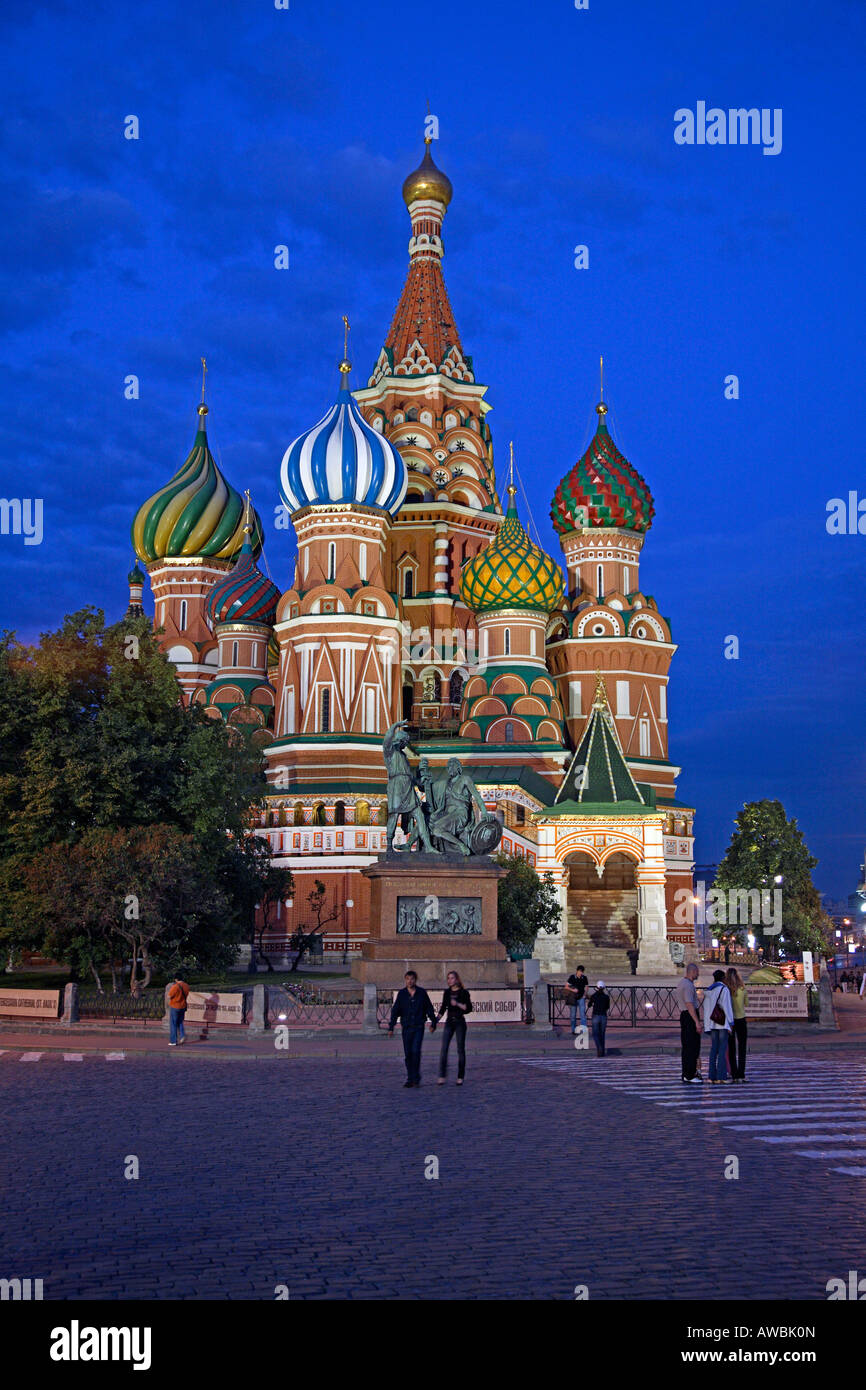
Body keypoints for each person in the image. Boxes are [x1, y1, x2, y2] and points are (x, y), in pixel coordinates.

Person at [388, 970, 437, 1087]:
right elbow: (395, 1011)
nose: (410, 981)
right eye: (407, 979)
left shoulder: (421, 993)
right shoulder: (402, 994)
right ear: (405, 980)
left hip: (418, 1027)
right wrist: (391, 1027)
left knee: (416, 1052)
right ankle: (410, 1078)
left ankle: (416, 1078)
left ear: (415, 980)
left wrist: (433, 1023)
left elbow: (429, 1008)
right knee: (408, 1054)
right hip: (407, 1027)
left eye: (412, 979)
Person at [437, 970, 473, 1085]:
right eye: (448, 978)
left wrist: (457, 1004)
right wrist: (435, 1020)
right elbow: (443, 1008)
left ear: (457, 979)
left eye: (452, 978)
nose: (449, 980)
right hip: (449, 1022)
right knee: (444, 1049)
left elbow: (468, 1008)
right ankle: (442, 1075)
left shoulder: (463, 993)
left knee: (460, 1050)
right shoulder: (447, 992)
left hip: (459, 1022)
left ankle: (460, 1076)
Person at [702, 968, 733, 1082]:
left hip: (712, 1024)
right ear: (723, 978)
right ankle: (721, 1076)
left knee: (713, 1049)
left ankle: (711, 1076)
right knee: (722, 1049)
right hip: (722, 1024)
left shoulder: (709, 990)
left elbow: (706, 1009)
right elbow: (727, 1007)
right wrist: (730, 1024)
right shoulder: (724, 990)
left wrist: (707, 1025)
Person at [677, 962, 703, 1082]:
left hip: (685, 1016)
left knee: (687, 1046)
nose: (698, 974)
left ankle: (687, 1073)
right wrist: (697, 1022)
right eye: (697, 972)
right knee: (691, 1046)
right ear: (692, 972)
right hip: (689, 1017)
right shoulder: (687, 985)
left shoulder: (682, 983)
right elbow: (689, 1004)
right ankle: (690, 1074)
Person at [726, 967, 748, 1082]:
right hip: (741, 1019)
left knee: (731, 1047)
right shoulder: (742, 989)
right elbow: (746, 1003)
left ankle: (734, 1073)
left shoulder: (726, 990)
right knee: (742, 1047)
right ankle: (741, 1073)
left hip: (731, 1021)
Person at [588, 980, 611, 1057]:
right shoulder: (606, 997)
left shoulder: (594, 996)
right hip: (603, 1016)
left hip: (596, 1016)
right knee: (602, 1034)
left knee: (595, 1034)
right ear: (604, 988)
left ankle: (599, 1048)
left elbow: (589, 1005)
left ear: (596, 988)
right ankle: (602, 1052)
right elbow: (607, 1007)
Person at [565, 964, 588, 1036]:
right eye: (579, 971)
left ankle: (584, 1030)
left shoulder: (584, 978)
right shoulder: (572, 977)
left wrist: (585, 994)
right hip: (573, 999)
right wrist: (573, 990)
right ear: (577, 971)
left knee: (583, 1015)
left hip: (581, 998)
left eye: (582, 972)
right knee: (573, 1015)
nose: (580, 973)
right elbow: (566, 987)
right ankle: (573, 1030)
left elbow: (586, 987)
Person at [167, 972, 189, 1047]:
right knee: (180, 1022)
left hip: (175, 1006)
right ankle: (182, 1035)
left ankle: (173, 1041)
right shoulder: (186, 986)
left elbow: (169, 996)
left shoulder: (175, 986)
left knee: (173, 1024)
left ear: (176, 979)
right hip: (183, 1006)